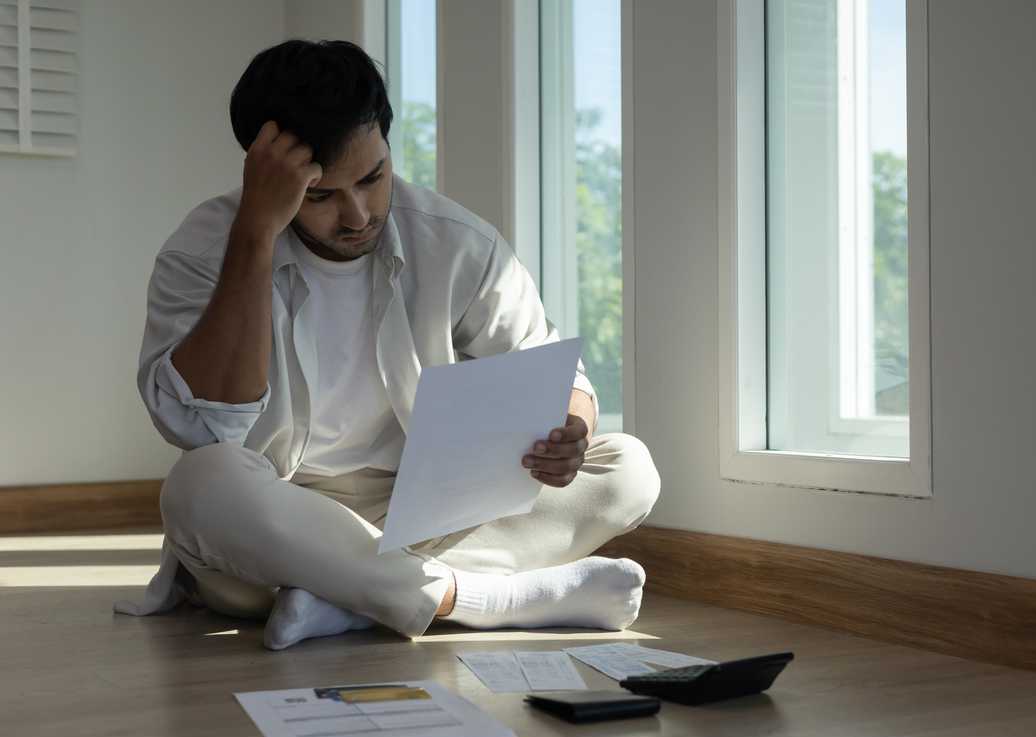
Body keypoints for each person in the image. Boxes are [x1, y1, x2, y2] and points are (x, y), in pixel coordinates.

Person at [113, 40, 661, 650]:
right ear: (262, 173)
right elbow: (202, 426)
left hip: (422, 515)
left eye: (373, 178)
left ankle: (347, 601)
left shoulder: (455, 242)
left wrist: (570, 430)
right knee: (200, 482)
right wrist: (256, 234)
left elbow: (559, 375)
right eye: (319, 195)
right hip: (277, 520)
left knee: (627, 467)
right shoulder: (204, 250)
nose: (356, 215)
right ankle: (478, 598)